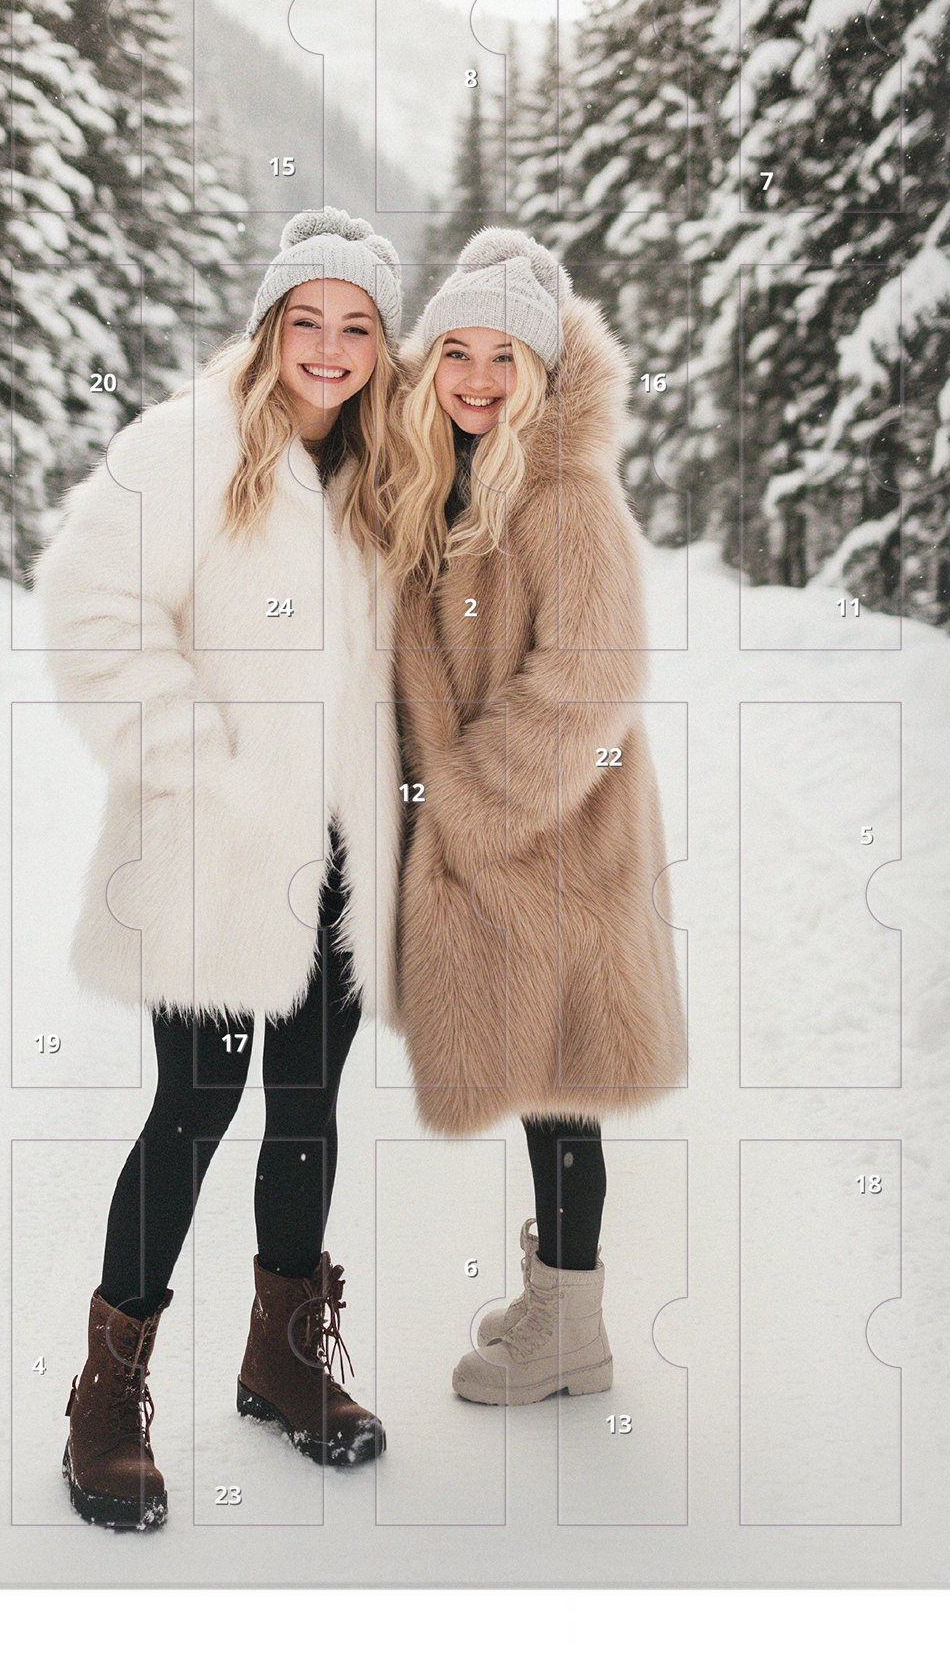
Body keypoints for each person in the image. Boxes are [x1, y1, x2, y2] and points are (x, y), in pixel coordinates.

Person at [35, 208, 405, 1526]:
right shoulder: (186, 445)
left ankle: (284, 1356)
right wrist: (196, 755)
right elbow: (88, 607)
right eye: (306, 319)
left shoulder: (387, 469)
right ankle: (106, 1392)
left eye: (356, 324)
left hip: (348, 855)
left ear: (382, 344)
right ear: (267, 328)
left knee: (305, 1106)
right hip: (210, 850)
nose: (329, 346)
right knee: (194, 1109)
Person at [381, 228, 686, 1405]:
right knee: (537, 1077)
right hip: (496, 846)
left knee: (560, 1088)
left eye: (500, 354)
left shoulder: (564, 493)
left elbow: (590, 682)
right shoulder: (438, 478)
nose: (472, 377)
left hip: (555, 840)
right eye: (453, 350)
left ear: (542, 367)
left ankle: (572, 1325)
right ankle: (559, 1290)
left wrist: (466, 799)